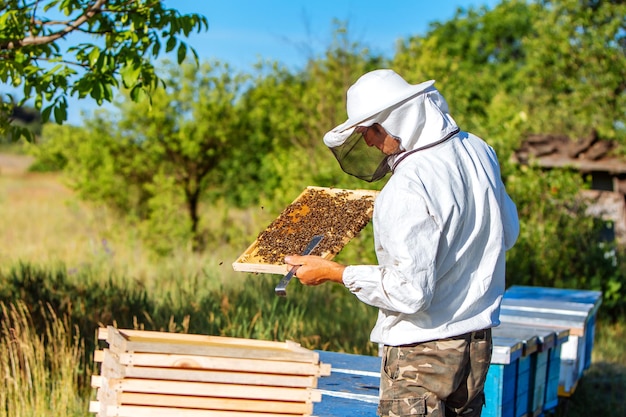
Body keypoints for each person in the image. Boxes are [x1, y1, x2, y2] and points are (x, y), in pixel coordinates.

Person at [284, 69, 520, 417]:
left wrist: (335, 273)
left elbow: (410, 293)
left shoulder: (407, 186)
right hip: (475, 345)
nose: (367, 143)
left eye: (371, 131)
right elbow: (508, 233)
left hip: (422, 350)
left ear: (400, 120)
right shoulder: (479, 150)